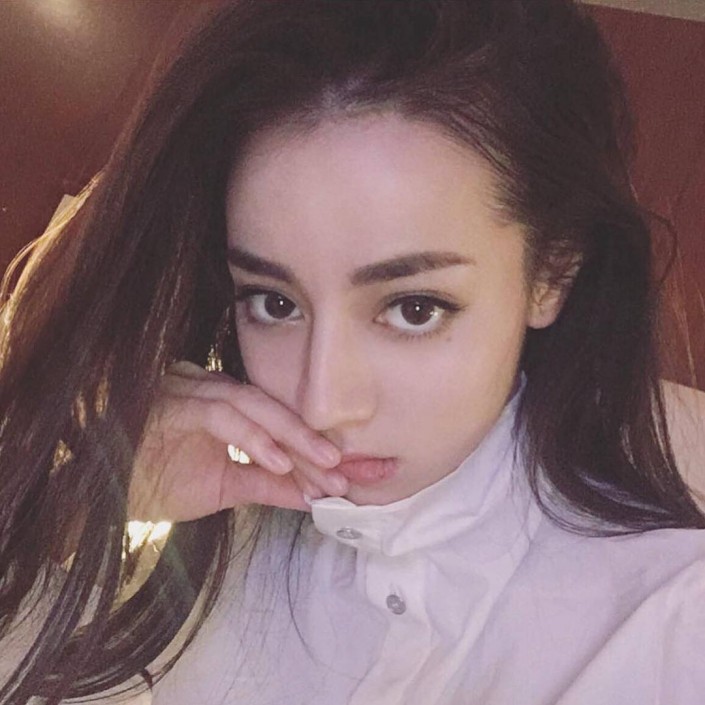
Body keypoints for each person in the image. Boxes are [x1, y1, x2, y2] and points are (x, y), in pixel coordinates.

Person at [1, 0, 704, 703]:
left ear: (550, 275)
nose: (320, 404)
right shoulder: (222, 514)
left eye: (414, 308)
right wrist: (80, 511)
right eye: (274, 303)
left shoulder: (668, 631)